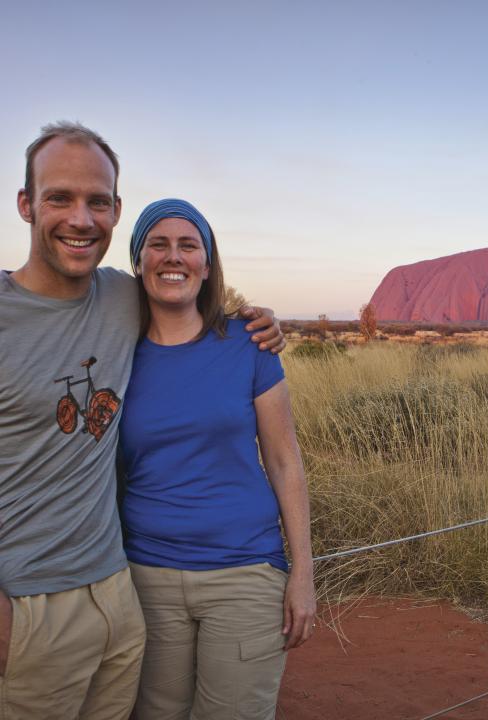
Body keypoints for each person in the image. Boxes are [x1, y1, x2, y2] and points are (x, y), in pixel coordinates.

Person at [0, 122, 285, 720]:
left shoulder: (122, 297)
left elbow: (187, 298)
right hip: (29, 601)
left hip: (120, 588)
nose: (80, 219)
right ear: (25, 204)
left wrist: (257, 319)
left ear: (114, 212)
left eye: (96, 202)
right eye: (59, 197)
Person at [119, 199, 315, 720]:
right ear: (138, 260)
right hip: (145, 576)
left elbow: (283, 460)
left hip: (245, 573)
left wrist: (303, 572)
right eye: (157, 244)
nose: (173, 257)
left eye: (189, 245)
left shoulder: (248, 345)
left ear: (207, 265)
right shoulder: (114, 353)